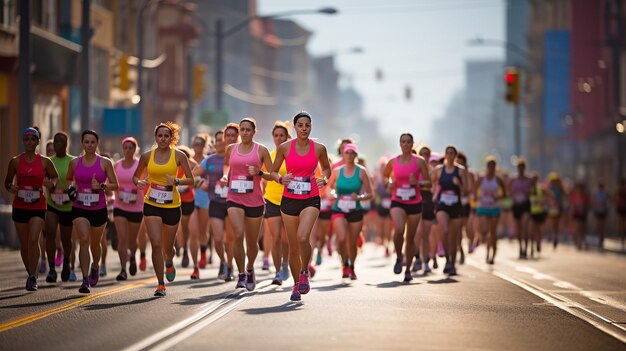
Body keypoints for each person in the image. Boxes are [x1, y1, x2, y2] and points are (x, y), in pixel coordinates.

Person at [269, 111, 331, 301]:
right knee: (293, 246)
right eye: (300, 125)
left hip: (311, 197)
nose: (304, 128)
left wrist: (325, 179)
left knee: (303, 237)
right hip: (289, 199)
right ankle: (296, 285)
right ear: (294, 128)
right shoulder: (285, 148)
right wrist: (280, 178)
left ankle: (305, 271)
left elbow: (327, 168)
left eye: (307, 125)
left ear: (311, 127)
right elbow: (272, 172)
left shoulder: (319, 148)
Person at [133, 122, 194, 296]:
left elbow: (190, 180)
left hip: (172, 205)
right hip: (151, 203)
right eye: (159, 136)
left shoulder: (179, 156)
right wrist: (139, 182)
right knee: (156, 244)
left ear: (171, 138)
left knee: (168, 248)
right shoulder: (146, 156)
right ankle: (160, 284)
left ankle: (169, 261)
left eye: (166, 136)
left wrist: (176, 181)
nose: (162, 139)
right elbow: (135, 176)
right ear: (155, 137)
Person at [221, 117, 274, 291]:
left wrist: (259, 172)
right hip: (234, 198)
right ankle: (241, 273)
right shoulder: (231, 149)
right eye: (241, 130)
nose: (244, 133)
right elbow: (227, 167)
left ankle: (250, 268)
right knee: (237, 235)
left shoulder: (262, 150)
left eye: (247, 130)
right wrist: (225, 176)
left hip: (254, 200)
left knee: (251, 243)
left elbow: (272, 174)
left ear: (254, 132)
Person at [5, 127, 59, 291]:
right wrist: (11, 188)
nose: (29, 142)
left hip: (38, 205)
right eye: (27, 139)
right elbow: (7, 182)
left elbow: (54, 177)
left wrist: (51, 184)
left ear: (37, 142)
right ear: (23, 141)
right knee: (25, 244)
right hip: (20, 205)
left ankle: (32, 277)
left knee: (34, 240)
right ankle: (31, 272)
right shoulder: (15, 161)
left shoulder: (44, 161)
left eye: (33, 139)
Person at [66, 130, 119, 293]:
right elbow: (69, 180)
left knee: (95, 244)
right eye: (86, 142)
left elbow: (115, 185)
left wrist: (102, 186)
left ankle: (95, 266)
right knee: (83, 240)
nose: (89, 145)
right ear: (82, 143)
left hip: (98, 207)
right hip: (79, 206)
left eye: (92, 142)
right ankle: (85, 279)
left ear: (97, 144)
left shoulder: (105, 162)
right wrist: (72, 188)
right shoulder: (75, 162)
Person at [382, 133, 431, 282]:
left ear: (412, 144)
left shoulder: (420, 162)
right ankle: (399, 256)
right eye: (403, 142)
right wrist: (389, 183)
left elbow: (428, 183)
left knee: (410, 238)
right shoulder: (393, 162)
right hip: (398, 200)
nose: (406, 144)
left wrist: (418, 182)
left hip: (414, 202)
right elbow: (385, 177)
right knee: (399, 229)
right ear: (400, 144)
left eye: (409, 142)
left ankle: (408, 269)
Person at [327, 143, 373, 280]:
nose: (350, 155)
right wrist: (332, 194)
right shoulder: (337, 171)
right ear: (343, 154)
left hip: (355, 209)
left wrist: (358, 197)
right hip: (339, 208)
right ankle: (344, 263)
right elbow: (329, 187)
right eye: (347, 153)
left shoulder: (361, 171)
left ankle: (352, 266)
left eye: (352, 153)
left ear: (356, 155)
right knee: (341, 238)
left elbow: (370, 193)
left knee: (352, 242)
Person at [431, 145, 468, 276]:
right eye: (448, 153)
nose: (450, 155)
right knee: (445, 231)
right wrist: (435, 192)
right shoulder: (439, 170)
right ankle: (447, 260)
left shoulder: (461, 171)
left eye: (452, 153)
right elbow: (431, 184)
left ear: (455, 156)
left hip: (456, 205)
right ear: (445, 155)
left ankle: (452, 262)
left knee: (454, 237)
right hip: (442, 205)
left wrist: (459, 184)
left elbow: (467, 191)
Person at [262, 121, 291, 285]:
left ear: (287, 137)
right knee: (276, 238)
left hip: (289, 200)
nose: (278, 138)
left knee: (287, 239)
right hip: (272, 198)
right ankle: (278, 271)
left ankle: (286, 264)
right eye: (276, 135)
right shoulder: (270, 155)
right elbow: (265, 176)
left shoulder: (293, 154)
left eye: (282, 135)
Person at [43, 132, 74, 283]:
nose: (58, 144)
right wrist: (48, 185)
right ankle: (52, 270)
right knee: (50, 234)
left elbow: (77, 180)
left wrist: (72, 189)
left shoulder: (73, 161)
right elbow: (45, 179)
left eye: (62, 141)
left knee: (66, 239)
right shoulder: (48, 161)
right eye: (56, 141)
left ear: (67, 143)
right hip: (52, 204)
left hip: (68, 206)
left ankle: (67, 262)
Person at [113, 137, 144, 281]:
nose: (127, 151)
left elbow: (147, 182)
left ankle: (132, 255)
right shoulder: (117, 165)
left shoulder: (140, 165)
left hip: (136, 207)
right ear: (122, 149)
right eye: (125, 148)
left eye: (130, 148)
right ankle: (123, 269)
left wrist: (141, 185)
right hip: (119, 206)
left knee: (132, 240)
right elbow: (110, 183)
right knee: (122, 239)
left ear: (135, 149)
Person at [474, 156, 506, 264]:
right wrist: (478, 197)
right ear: (486, 166)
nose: (491, 168)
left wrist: (498, 197)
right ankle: (481, 239)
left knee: (492, 233)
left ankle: (491, 256)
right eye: (489, 166)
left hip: (494, 208)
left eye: (493, 166)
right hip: (483, 207)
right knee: (484, 230)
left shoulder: (498, 179)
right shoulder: (481, 179)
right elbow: (474, 191)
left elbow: (505, 194)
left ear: (495, 167)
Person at [509, 159, 532, 258]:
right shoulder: (513, 179)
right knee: (519, 228)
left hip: (525, 205)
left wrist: (528, 193)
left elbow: (533, 191)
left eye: (522, 168)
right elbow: (508, 190)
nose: (521, 169)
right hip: (516, 205)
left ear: (524, 168)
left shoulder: (528, 180)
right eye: (519, 168)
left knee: (525, 227)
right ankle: (520, 247)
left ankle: (526, 248)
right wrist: (513, 194)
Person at [528, 172, 549, 257]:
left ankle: (538, 243)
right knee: (532, 230)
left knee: (538, 229)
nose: (534, 181)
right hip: (531, 212)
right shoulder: (529, 188)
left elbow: (547, 195)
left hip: (539, 211)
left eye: (535, 179)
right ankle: (532, 248)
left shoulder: (540, 187)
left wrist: (543, 201)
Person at [547, 172, 565, 249]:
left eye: (555, 181)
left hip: (558, 208)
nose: (554, 182)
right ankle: (553, 235)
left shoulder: (560, 189)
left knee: (556, 223)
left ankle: (556, 236)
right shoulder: (549, 188)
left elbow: (563, 197)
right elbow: (547, 198)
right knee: (552, 222)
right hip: (551, 208)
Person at [570, 182, 589, 250]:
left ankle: (582, 241)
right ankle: (578, 243)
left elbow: (587, 204)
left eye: (579, 188)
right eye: (577, 188)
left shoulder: (585, 195)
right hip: (576, 214)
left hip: (583, 214)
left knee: (582, 229)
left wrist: (584, 208)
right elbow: (572, 204)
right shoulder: (574, 195)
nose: (578, 189)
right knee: (577, 228)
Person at [592, 181, 609, 249]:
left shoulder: (605, 194)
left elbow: (608, 202)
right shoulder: (597, 194)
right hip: (598, 212)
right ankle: (600, 239)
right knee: (599, 226)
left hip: (603, 212)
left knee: (602, 227)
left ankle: (601, 239)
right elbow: (594, 202)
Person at [615, 178, 626, 248]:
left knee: (624, 224)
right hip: (621, 210)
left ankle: (623, 237)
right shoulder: (619, 192)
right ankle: (622, 238)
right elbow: (616, 199)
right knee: (621, 224)